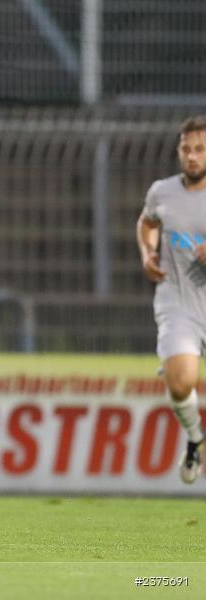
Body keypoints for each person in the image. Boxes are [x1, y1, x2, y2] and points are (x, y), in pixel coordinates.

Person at [137, 115, 206, 484]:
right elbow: (147, 222)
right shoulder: (162, 192)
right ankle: (196, 438)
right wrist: (148, 255)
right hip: (178, 301)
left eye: (199, 150)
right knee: (181, 382)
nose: (192, 157)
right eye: (186, 149)